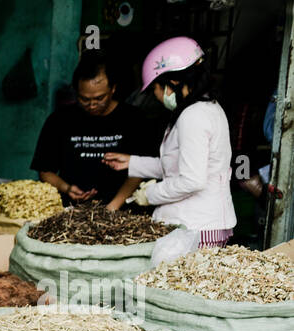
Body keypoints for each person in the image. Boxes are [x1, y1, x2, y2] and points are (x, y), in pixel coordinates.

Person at [103, 37, 237, 246]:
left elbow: (192, 180)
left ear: (172, 83)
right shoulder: (206, 108)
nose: (155, 96)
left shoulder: (193, 116)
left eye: (155, 89)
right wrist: (132, 162)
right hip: (201, 224)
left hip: (196, 228)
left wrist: (150, 194)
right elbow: (178, 166)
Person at [31, 50, 147, 209]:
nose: (92, 105)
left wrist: (113, 206)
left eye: (99, 98)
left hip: (123, 211)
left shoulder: (133, 119)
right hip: (70, 211)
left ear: (113, 89)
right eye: (84, 99)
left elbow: (140, 170)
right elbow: (45, 170)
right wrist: (67, 188)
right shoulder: (59, 120)